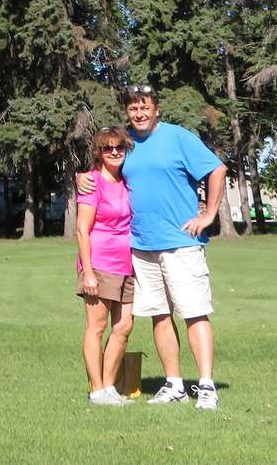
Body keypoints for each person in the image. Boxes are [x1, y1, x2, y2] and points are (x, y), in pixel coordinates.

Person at [79, 84, 227, 410]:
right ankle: (173, 383)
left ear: (156, 109)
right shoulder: (127, 145)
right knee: (159, 315)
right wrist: (83, 177)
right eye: (133, 109)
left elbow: (217, 169)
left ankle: (205, 385)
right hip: (141, 248)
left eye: (145, 107)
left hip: (180, 243)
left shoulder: (178, 137)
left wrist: (209, 213)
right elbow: (106, 168)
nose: (139, 113)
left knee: (193, 313)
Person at [76, 125, 136, 407]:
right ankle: (96, 390)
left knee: (124, 326)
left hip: (128, 265)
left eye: (119, 147)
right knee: (96, 327)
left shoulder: (127, 180)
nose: (114, 152)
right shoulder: (91, 182)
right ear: (98, 153)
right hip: (99, 264)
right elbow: (81, 230)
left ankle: (110, 386)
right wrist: (87, 272)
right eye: (107, 148)